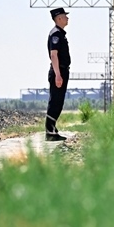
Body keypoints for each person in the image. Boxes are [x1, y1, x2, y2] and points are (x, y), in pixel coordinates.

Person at [45, 7, 70, 141]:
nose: (67, 18)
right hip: (58, 71)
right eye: (65, 16)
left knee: (58, 102)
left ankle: (52, 130)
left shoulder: (60, 34)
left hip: (61, 70)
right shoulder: (55, 34)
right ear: (59, 18)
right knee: (55, 101)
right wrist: (58, 75)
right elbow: (54, 55)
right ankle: (50, 132)